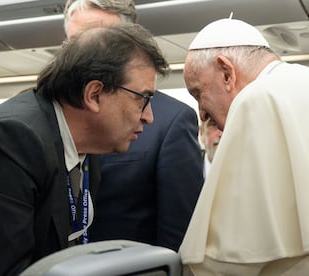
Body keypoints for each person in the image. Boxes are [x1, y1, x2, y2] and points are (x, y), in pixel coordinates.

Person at [179, 18, 309, 275]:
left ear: (226, 72)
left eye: (198, 93)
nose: (202, 114)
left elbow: (224, 260)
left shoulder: (255, 100)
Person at [0, 24, 168, 275]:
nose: (149, 117)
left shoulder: (88, 150)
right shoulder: (9, 142)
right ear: (94, 94)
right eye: (143, 99)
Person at [64, 0, 204, 252]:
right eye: (74, 42)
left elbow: (178, 234)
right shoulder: (51, 118)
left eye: (98, 39)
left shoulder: (168, 120)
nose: (83, 54)